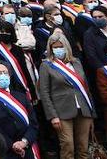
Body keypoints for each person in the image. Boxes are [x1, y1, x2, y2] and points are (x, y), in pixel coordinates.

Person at [36, 30, 95, 159]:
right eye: (55, 47)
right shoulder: (46, 65)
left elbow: (86, 87)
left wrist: (92, 112)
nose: (58, 49)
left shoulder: (76, 62)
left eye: (60, 46)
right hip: (61, 112)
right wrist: (52, 116)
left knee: (83, 147)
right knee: (68, 146)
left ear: (66, 46)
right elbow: (44, 93)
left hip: (83, 109)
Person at [0, 63, 37, 158]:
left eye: (5, 73)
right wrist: (12, 145)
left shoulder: (21, 96)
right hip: (6, 150)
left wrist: (24, 141)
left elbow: (33, 122)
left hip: (26, 147)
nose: (3, 75)